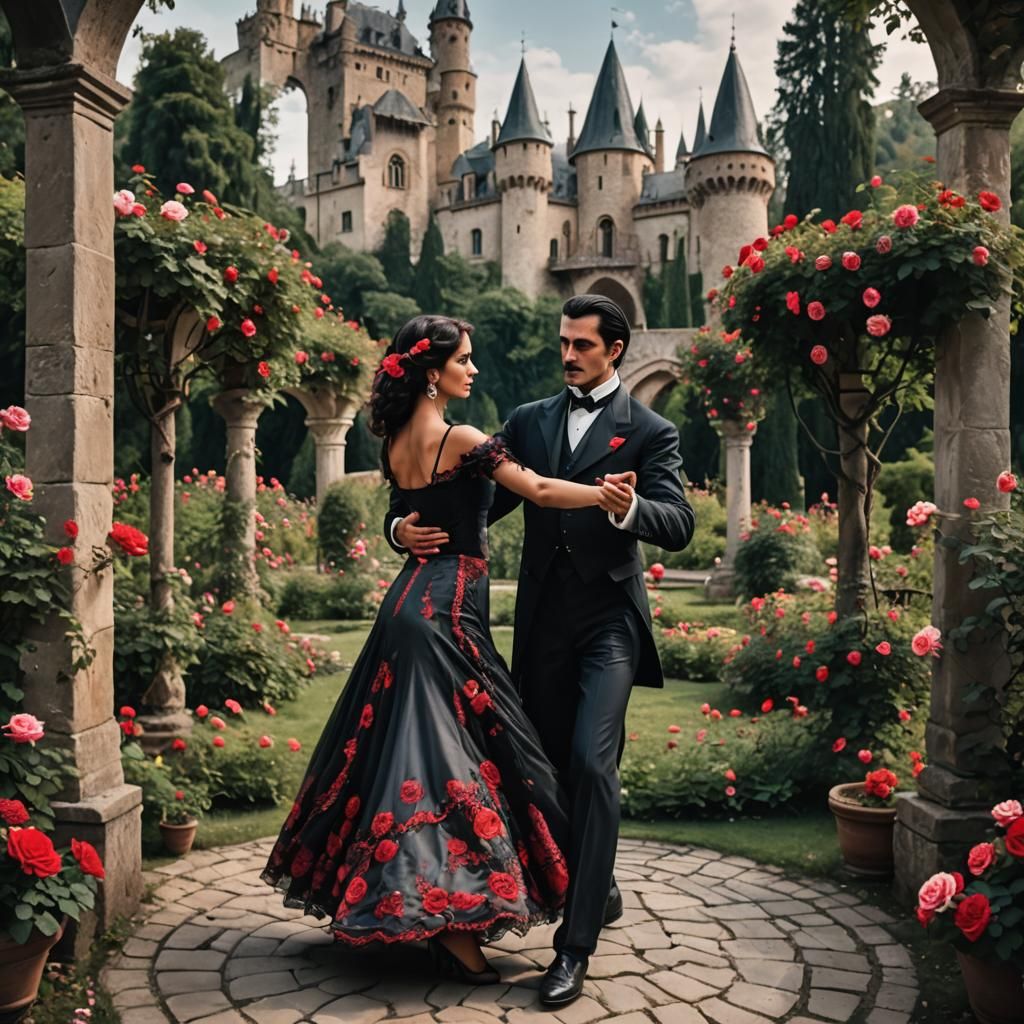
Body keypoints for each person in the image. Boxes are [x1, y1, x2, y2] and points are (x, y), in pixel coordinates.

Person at [262, 314, 632, 986]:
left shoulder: (398, 438)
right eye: (464, 359)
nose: (474, 369)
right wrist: (606, 494)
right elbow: (542, 491)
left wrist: (399, 529)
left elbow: (413, 512)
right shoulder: (460, 437)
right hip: (448, 611)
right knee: (458, 759)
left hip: (408, 603)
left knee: (420, 754)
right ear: (432, 372)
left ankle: (455, 907)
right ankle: (453, 924)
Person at [389, 294, 694, 1008]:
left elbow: (677, 522)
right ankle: (597, 879)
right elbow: (457, 495)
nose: (567, 355)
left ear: (614, 349)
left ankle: (573, 950)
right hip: (539, 626)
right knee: (545, 771)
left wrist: (623, 506)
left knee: (592, 759)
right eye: (563, 342)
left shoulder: (650, 429)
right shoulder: (528, 421)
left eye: (581, 345)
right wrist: (399, 528)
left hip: (610, 624)